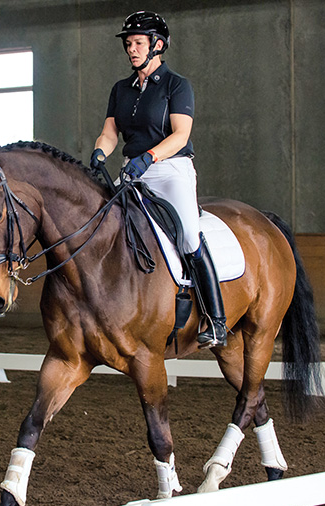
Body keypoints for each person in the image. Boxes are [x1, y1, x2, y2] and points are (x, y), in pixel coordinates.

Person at [91, 11, 226, 347]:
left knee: (189, 236)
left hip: (169, 170)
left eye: (138, 43)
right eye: (128, 44)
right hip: (131, 171)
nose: (131, 49)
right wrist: (100, 152)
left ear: (158, 45)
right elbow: (110, 132)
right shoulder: (120, 89)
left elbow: (181, 135)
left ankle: (215, 318)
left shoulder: (176, 85)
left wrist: (149, 157)